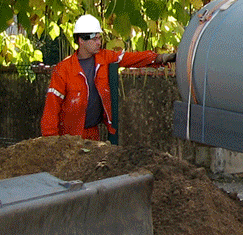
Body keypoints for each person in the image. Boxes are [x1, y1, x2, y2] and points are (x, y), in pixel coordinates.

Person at [41, 14, 174, 140]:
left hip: (92, 133)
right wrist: (51, 142)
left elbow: (129, 58)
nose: (99, 42)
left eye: (100, 38)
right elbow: (52, 107)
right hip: (69, 136)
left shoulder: (104, 58)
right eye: (94, 39)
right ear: (81, 40)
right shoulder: (63, 69)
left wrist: (159, 58)